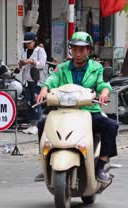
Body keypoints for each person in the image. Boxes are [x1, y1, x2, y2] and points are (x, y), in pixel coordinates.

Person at [35, 31, 118, 183]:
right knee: (42, 124)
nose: (78, 53)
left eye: (82, 49)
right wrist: (44, 90)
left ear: (89, 50)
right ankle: (46, 163)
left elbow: (103, 84)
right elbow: (51, 80)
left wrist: (104, 93)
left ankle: (101, 164)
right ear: (70, 49)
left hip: (89, 112)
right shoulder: (62, 68)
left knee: (111, 126)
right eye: (75, 49)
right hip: (64, 112)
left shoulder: (97, 68)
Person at [18, 32, 47, 135]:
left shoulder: (40, 51)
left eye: (29, 43)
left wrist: (31, 61)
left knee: (36, 102)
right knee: (28, 102)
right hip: (26, 80)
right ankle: (31, 124)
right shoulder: (24, 51)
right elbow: (21, 66)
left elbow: (42, 64)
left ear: (34, 41)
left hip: (36, 80)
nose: (27, 45)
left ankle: (37, 124)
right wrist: (21, 64)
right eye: (26, 43)